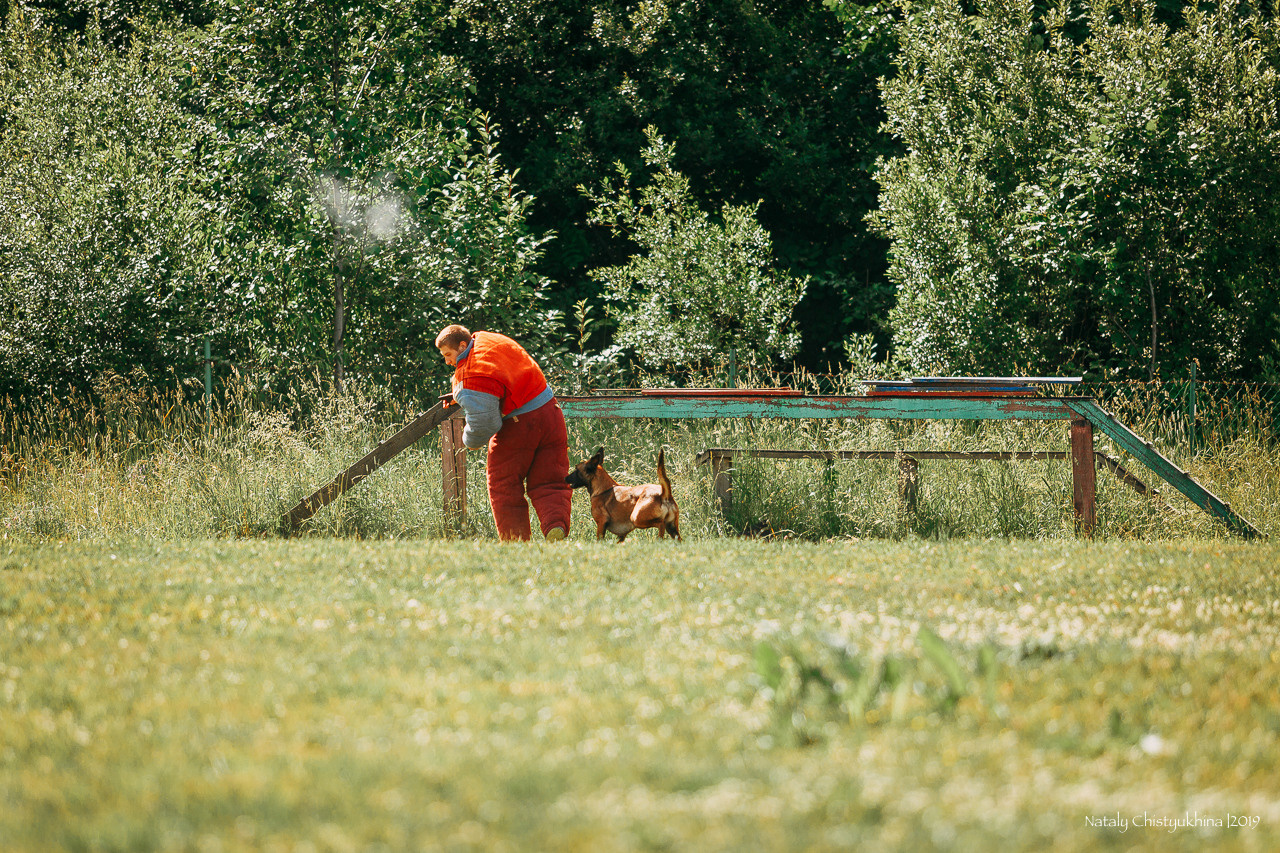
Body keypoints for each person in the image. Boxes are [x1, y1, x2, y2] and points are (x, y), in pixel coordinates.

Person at [435, 324, 572, 541]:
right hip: (551, 414)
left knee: (503, 483)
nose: (447, 362)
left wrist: (468, 440)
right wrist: (463, 395)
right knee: (550, 478)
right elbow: (496, 379)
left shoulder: (469, 377)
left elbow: (484, 426)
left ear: (462, 345)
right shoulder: (486, 339)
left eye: (448, 355)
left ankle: (514, 541)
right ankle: (556, 525)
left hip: (520, 424)